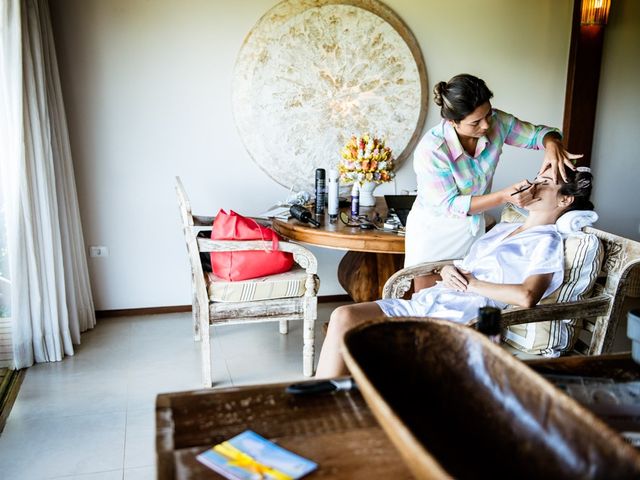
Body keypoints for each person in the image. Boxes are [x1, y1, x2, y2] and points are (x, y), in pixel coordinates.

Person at [315, 169, 594, 378]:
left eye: (546, 183)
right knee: (343, 315)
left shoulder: (546, 241)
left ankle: (337, 410)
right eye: (537, 178)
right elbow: (467, 263)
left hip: (460, 319)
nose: (534, 185)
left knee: (369, 350)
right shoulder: (504, 228)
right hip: (431, 301)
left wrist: (473, 283)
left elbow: (527, 296)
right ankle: (319, 401)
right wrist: (448, 269)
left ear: (565, 199)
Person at [406, 74, 582, 291]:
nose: (486, 125)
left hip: (472, 230)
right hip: (435, 232)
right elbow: (450, 205)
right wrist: (503, 197)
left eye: (488, 114)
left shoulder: (497, 122)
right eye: (475, 122)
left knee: (468, 299)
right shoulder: (432, 150)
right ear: (452, 122)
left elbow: (538, 134)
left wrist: (552, 143)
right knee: (430, 303)